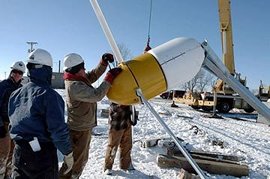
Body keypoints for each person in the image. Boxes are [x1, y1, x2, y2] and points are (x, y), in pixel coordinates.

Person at [8, 49, 73, 179]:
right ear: (47, 70)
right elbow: (58, 131)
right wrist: (68, 153)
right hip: (42, 157)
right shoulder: (49, 95)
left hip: (19, 152)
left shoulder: (15, 94)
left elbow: (12, 122)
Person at [59, 53, 122, 178]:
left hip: (82, 127)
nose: (85, 69)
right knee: (76, 162)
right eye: (82, 68)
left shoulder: (77, 79)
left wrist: (103, 63)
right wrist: (109, 77)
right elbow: (97, 95)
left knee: (78, 160)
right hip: (79, 130)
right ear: (76, 70)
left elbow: (93, 75)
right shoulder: (75, 86)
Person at [0, 61, 25, 179]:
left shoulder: (21, 89)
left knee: (12, 154)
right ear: (11, 72)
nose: (16, 74)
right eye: (14, 71)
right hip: (3, 125)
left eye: (19, 72)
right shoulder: (3, 86)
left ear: (22, 75)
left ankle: (8, 175)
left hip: (14, 125)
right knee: (2, 154)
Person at [104, 102, 138, 175]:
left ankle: (125, 165)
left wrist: (134, 115)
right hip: (117, 121)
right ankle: (108, 167)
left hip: (127, 119)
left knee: (127, 144)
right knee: (113, 146)